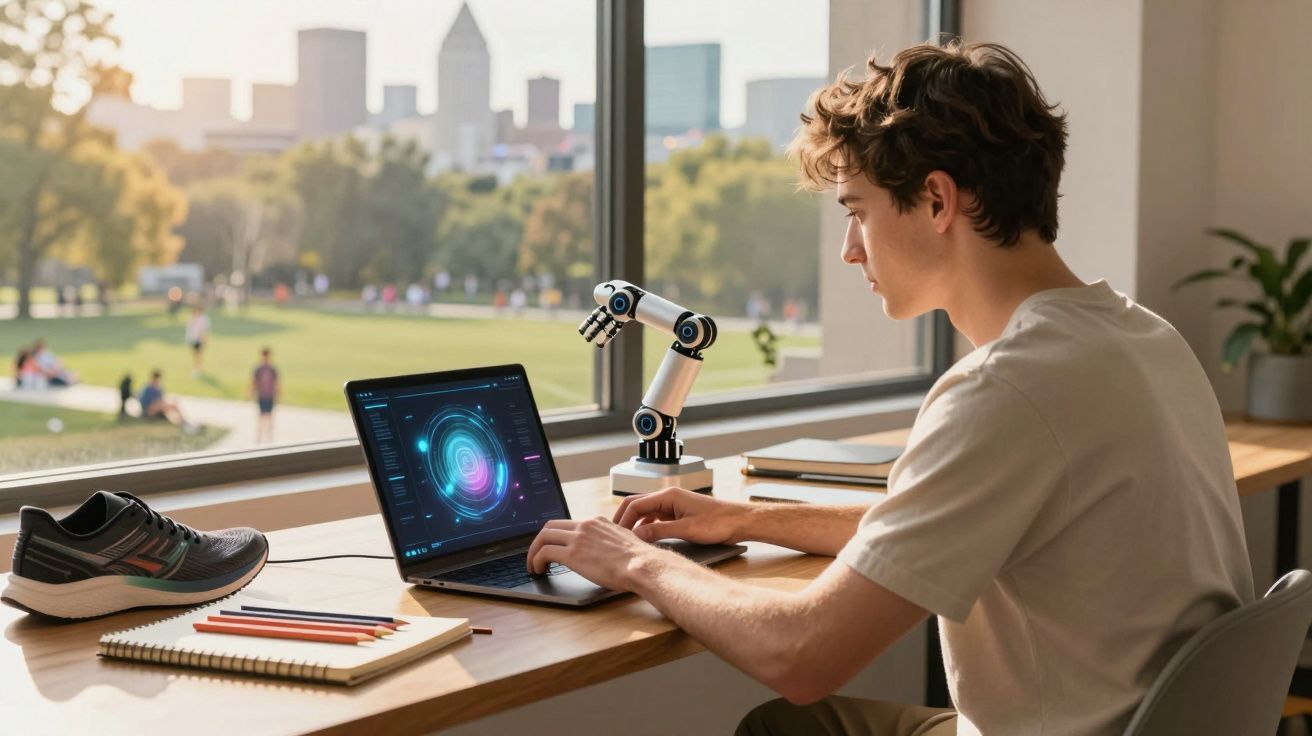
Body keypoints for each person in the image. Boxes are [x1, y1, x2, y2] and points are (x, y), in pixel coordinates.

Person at [524, 41, 1253, 736]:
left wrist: (632, 561)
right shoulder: (1141, 338)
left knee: (789, 717)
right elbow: (934, 529)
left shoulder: (1005, 390)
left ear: (937, 201)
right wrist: (740, 520)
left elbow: (802, 656)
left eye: (856, 212)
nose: (848, 250)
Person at [249, 347, 280, 444]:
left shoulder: (272, 369)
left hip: (270, 396)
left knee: (270, 418)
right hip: (261, 396)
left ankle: (269, 439)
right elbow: (254, 382)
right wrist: (251, 392)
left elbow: (277, 382)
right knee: (261, 418)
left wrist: (278, 393)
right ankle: (259, 439)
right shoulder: (258, 369)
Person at [185, 305, 210, 376]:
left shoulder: (202, 319)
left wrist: (204, 340)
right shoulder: (192, 318)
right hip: (193, 339)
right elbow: (189, 329)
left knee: (198, 354)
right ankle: (198, 367)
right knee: (195, 354)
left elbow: (203, 331)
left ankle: (198, 368)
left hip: (198, 340)